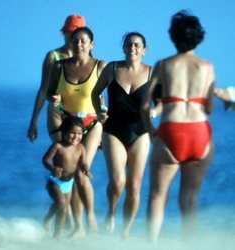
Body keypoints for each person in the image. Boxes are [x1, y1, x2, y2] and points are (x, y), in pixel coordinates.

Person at [141, 10, 215, 244]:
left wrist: (150, 130)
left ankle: (150, 246)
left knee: (157, 196)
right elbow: (210, 108)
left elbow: (144, 105)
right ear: (198, 37)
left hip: (170, 131)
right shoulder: (207, 67)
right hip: (199, 133)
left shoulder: (162, 64)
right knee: (189, 200)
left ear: (173, 36)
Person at [92, 32, 152, 238]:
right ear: (123, 48)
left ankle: (125, 232)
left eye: (137, 45)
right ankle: (111, 211)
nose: (132, 48)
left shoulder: (152, 73)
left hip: (140, 132)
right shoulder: (112, 68)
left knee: (134, 186)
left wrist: (156, 111)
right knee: (117, 182)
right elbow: (95, 92)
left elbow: (161, 103)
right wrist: (99, 110)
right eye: (128, 45)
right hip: (113, 130)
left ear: (144, 50)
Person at [47, 27, 106, 237]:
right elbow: (49, 93)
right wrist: (53, 99)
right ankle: (77, 226)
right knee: (69, 174)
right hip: (69, 124)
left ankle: (90, 218)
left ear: (92, 44)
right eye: (75, 40)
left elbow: (110, 96)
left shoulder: (101, 66)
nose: (78, 44)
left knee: (82, 172)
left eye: (83, 41)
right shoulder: (59, 66)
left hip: (91, 124)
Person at [27, 14, 86, 143]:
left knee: (80, 158)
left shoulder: (89, 60)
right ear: (64, 32)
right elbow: (43, 90)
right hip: (58, 112)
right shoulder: (53, 57)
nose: (73, 36)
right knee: (63, 154)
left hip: (83, 113)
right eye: (70, 32)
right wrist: (33, 122)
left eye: (77, 32)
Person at [42, 116, 91, 238]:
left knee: (60, 205)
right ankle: (56, 236)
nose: (76, 136)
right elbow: (45, 159)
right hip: (55, 182)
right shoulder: (58, 146)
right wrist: (53, 168)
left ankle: (49, 221)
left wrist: (86, 169)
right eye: (72, 133)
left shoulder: (80, 148)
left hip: (68, 184)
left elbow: (83, 162)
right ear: (64, 132)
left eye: (79, 133)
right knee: (62, 206)